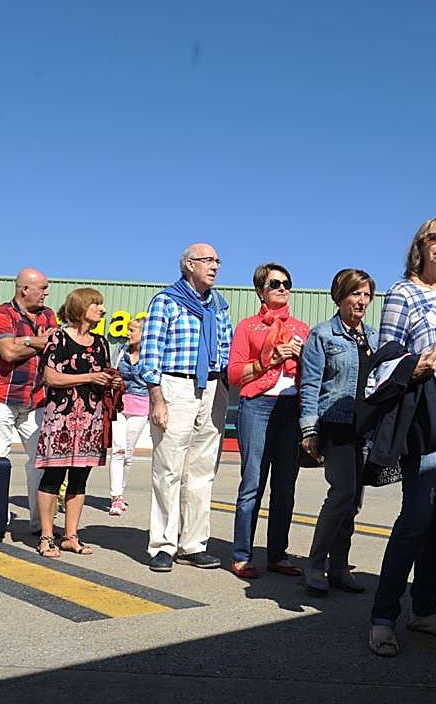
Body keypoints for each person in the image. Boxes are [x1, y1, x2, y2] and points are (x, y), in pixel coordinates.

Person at [367, 217, 436, 658]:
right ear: (420, 245)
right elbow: (384, 357)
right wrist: (410, 368)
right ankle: (382, 616)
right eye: (433, 238)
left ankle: (426, 609)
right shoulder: (402, 293)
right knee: (416, 514)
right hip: (428, 414)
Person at [142, 244, 233, 573]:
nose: (215, 266)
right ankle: (162, 545)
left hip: (211, 387)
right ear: (188, 265)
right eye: (208, 260)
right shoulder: (166, 302)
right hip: (175, 386)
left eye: (217, 261)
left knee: (202, 472)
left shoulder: (219, 305)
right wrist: (157, 398)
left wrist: (224, 386)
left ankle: (193, 544)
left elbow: (226, 347)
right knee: (168, 469)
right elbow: (151, 351)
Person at [226, 263, 310, 580]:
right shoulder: (248, 327)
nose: (282, 288)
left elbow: (317, 373)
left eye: (287, 283)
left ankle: (277, 554)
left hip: (292, 407)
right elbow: (234, 374)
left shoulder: (303, 329)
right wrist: (270, 359)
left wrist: (304, 357)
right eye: (275, 283)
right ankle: (242, 555)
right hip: (258, 404)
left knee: (285, 486)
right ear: (261, 289)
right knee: (252, 483)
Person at [299, 268, 379, 596]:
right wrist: (309, 430)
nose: (361, 301)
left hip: (366, 427)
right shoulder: (322, 335)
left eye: (366, 295)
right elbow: (310, 384)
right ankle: (315, 565)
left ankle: (340, 566)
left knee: (354, 501)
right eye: (354, 294)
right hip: (335, 423)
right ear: (339, 297)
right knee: (342, 492)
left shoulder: (375, 336)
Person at [33, 288, 117, 558]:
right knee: (53, 477)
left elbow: (101, 374)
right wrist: (90, 377)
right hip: (62, 418)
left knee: (80, 480)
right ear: (81, 307)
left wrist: (111, 381)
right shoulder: (57, 337)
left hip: (91, 420)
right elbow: (51, 378)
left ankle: (71, 536)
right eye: (96, 305)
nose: (101, 310)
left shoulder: (101, 342)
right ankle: (47, 536)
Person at [0, 268, 58, 537]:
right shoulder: (2, 313)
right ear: (25, 289)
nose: (47, 293)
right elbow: (8, 352)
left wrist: (23, 341)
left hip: (36, 399)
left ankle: (41, 524)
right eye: (43, 288)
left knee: (42, 461)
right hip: (0, 396)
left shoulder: (48, 315)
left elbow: (54, 346)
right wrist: (36, 341)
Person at [109, 316, 149, 516]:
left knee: (129, 453)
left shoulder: (151, 354)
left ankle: (121, 493)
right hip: (119, 404)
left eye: (132, 330)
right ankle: (115, 497)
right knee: (118, 449)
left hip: (141, 406)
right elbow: (111, 372)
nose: (127, 333)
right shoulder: (120, 351)